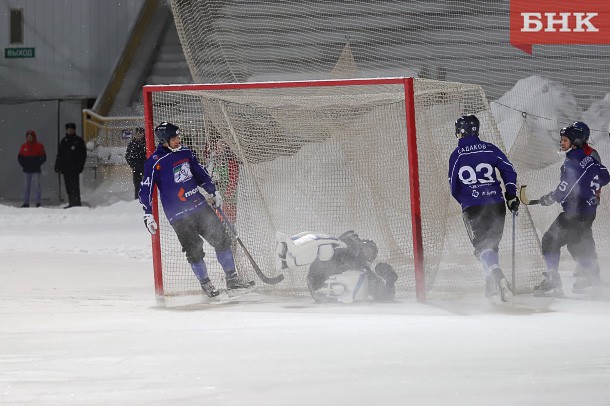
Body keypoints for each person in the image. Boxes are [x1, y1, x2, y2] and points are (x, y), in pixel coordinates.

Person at [138, 122, 254, 298]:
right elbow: (145, 189)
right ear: (164, 140)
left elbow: (200, 174)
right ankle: (206, 284)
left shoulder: (186, 153)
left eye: (178, 137)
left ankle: (232, 279)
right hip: (179, 216)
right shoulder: (154, 163)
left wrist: (213, 191)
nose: (178, 140)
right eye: (174, 138)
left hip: (200, 207)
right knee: (194, 250)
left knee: (222, 240)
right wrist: (148, 214)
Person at [448, 114, 519, 302]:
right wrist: (510, 194)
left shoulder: (457, 155)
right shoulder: (490, 149)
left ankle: (498, 277)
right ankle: (491, 284)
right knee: (491, 244)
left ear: (460, 132)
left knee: (482, 248)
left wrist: (466, 200)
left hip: (473, 206)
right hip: (496, 203)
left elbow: (453, 185)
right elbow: (508, 170)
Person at [533, 125, 610, 297]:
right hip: (588, 212)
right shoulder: (590, 158)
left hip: (574, 213)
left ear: (575, 142)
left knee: (549, 241)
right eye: (561, 139)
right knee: (577, 246)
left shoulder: (573, 160)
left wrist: (550, 198)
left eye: (565, 140)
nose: (562, 143)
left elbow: (566, 188)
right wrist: (591, 192)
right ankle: (593, 281)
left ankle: (554, 282)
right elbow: (605, 176)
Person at [275, 230, 398, 303]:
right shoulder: (343, 253)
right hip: (318, 283)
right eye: (366, 249)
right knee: (326, 249)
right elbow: (319, 266)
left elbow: (385, 296)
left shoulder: (365, 272)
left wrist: (390, 281)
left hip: (330, 296)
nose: (367, 253)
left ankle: (290, 257)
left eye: (371, 253)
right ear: (360, 247)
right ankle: (291, 252)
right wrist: (338, 242)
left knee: (327, 251)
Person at [54, 123, 87, 208]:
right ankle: (71, 202)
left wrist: (80, 166)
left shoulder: (79, 141)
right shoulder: (64, 141)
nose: (69, 131)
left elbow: (83, 155)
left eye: (71, 130)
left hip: (75, 168)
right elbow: (60, 155)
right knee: (68, 186)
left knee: (75, 186)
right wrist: (58, 166)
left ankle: (76, 203)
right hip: (66, 168)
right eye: (68, 130)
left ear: (74, 130)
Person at [17, 129, 46, 207]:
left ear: (34, 137)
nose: (29, 138)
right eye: (28, 136)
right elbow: (20, 157)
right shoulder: (24, 146)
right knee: (26, 187)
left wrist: (37, 164)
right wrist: (23, 164)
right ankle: (26, 203)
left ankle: (38, 202)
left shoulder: (39, 146)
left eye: (31, 136)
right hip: (27, 170)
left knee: (37, 186)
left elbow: (43, 157)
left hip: (36, 170)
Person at [125, 127, 147, 199]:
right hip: (136, 169)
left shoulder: (147, 143)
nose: (140, 135)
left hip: (146, 169)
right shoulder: (132, 144)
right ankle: (137, 200)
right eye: (138, 134)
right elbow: (128, 157)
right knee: (137, 186)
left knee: (147, 185)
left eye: (141, 133)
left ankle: (147, 199)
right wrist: (133, 165)